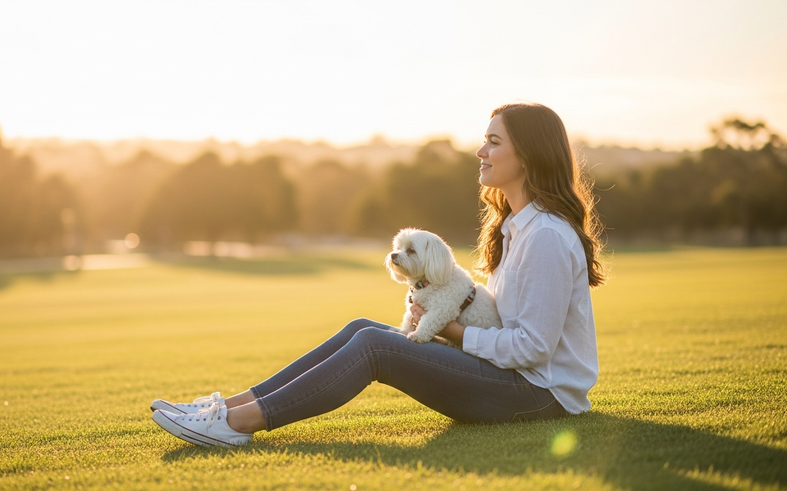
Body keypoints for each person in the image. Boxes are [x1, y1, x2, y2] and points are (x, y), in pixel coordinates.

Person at [150, 102, 607, 447]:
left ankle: (237, 425)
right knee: (362, 328)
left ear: (526, 156)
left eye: (493, 142)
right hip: (511, 380)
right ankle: (228, 407)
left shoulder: (545, 235)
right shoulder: (516, 227)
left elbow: (533, 347)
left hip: (538, 396)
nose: (479, 151)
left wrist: (451, 329)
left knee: (375, 347)